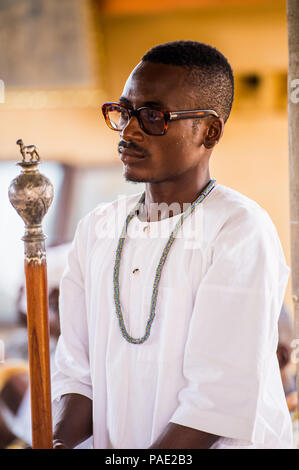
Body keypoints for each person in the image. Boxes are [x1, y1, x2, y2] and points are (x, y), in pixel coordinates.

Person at [51, 41, 293, 449]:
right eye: (124, 112)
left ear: (209, 131)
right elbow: (78, 373)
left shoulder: (238, 229)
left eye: (153, 116)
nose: (129, 130)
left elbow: (215, 399)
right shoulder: (97, 227)